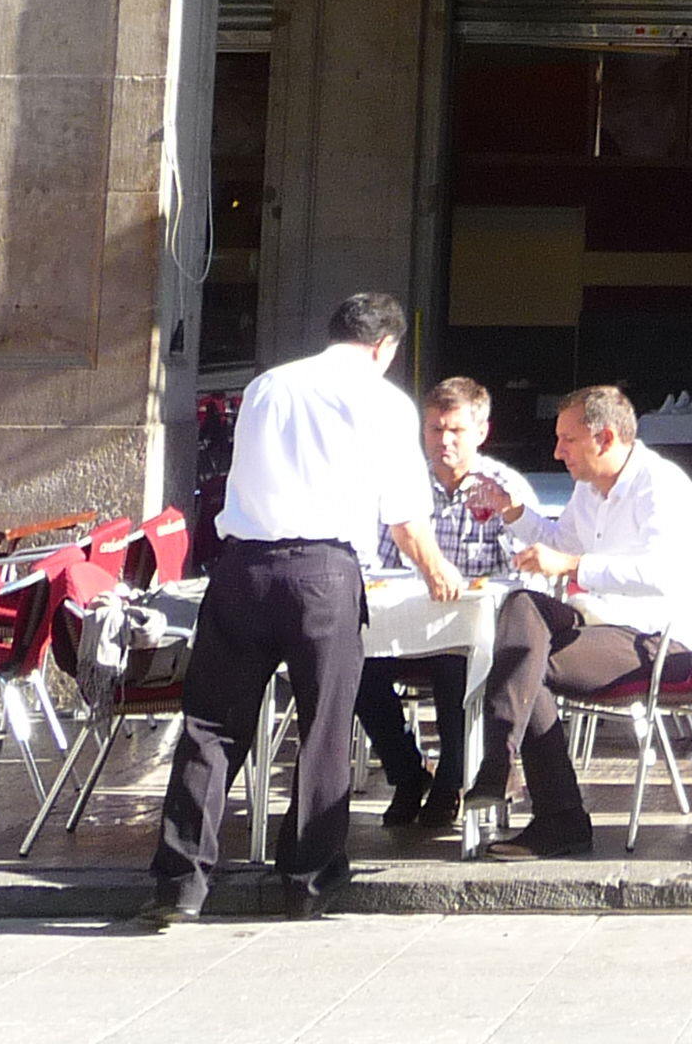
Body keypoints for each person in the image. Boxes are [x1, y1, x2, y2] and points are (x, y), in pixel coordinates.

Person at [146, 292, 459, 929]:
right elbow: (405, 516)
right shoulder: (383, 400)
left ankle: (180, 883)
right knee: (322, 728)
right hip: (323, 572)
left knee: (212, 726)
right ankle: (308, 881)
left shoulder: (266, 385)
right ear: (385, 348)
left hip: (242, 567)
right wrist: (438, 574)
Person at [467, 384, 692, 860]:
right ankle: (503, 765)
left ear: (604, 439)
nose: (557, 451)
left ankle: (552, 811)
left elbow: (662, 574)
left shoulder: (662, 487)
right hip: (603, 622)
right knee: (522, 606)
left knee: (527, 665)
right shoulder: (588, 488)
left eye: (568, 440)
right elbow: (561, 538)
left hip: (663, 638)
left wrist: (573, 567)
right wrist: (512, 511)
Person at [353, 376, 538, 837]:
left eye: (455, 430)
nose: (445, 441)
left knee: (456, 670)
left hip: (472, 628)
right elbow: (381, 558)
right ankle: (406, 770)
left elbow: (526, 569)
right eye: (435, 430)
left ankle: (451, 781)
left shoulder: (503, 488)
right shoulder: (403, 486)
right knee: (353, 664)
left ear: (480, 432)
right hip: (409, 622)